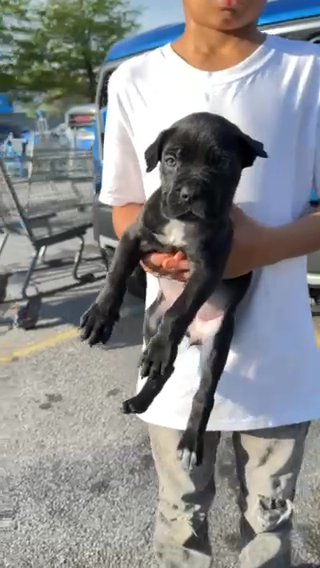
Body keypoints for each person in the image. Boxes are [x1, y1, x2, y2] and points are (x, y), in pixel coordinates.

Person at [99, 1, 320, 566]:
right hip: (171, 371)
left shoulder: (309, 72)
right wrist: (151, 257)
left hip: (277, 363)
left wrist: (261, 249)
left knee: (269, 531)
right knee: (179, 526)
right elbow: (124, 203)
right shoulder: (135, 78)